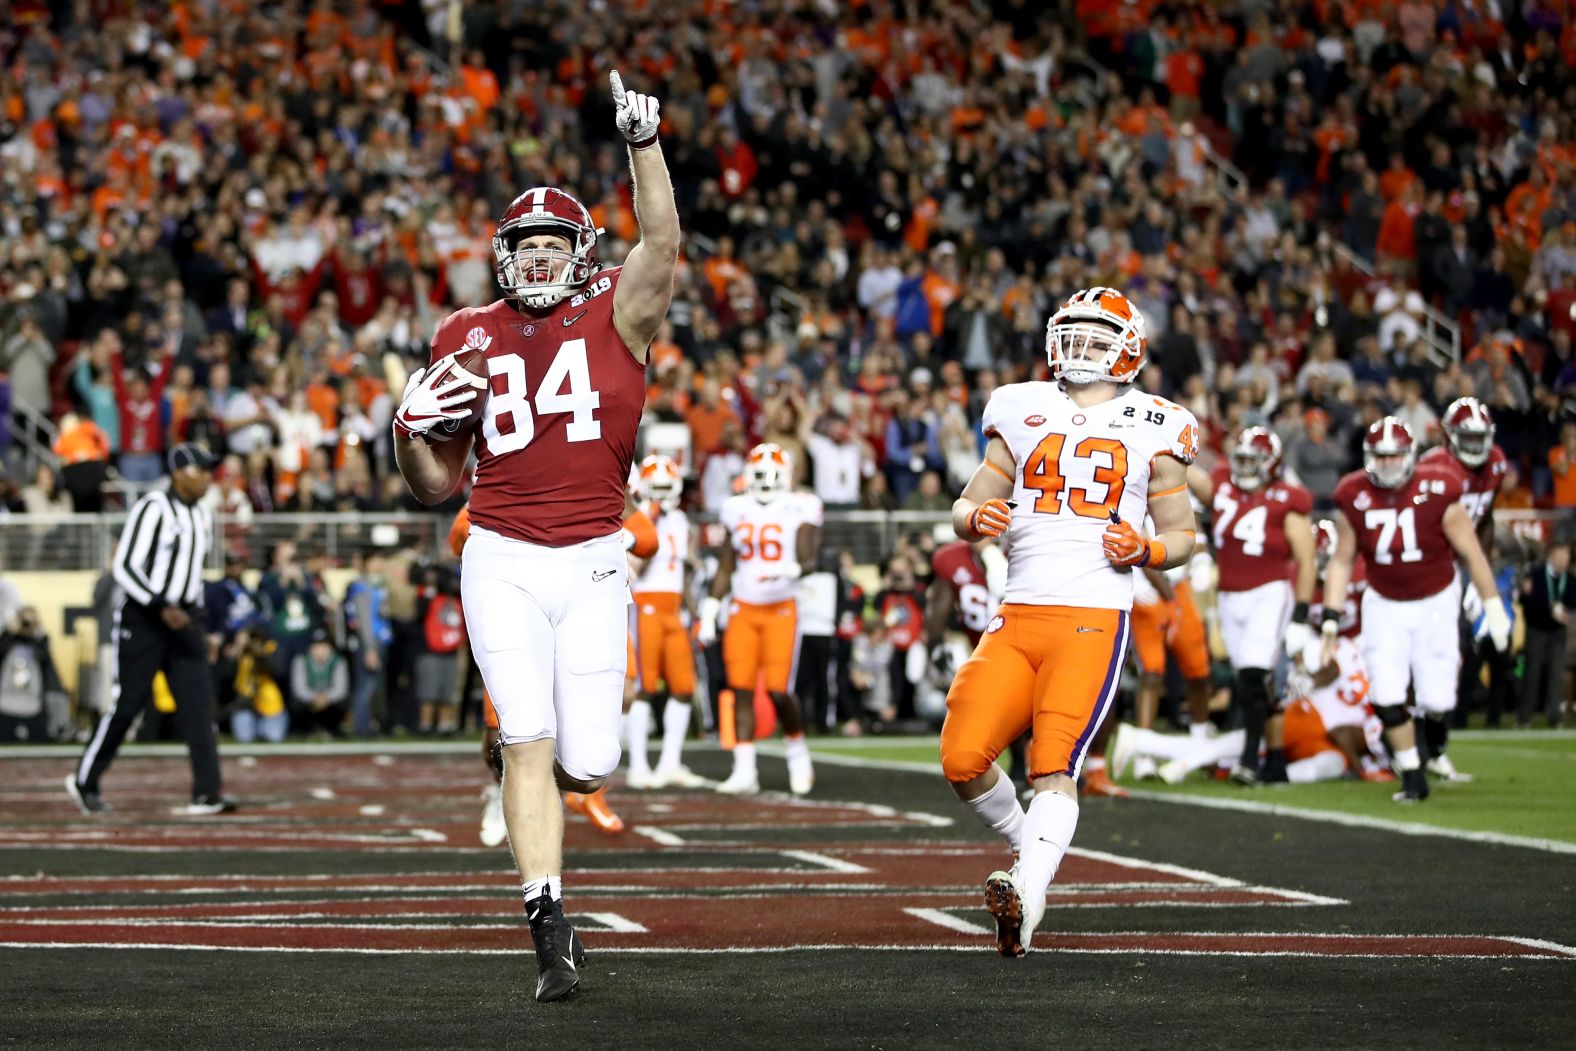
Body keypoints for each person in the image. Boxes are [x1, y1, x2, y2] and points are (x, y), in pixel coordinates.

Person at [392, 70, 678, 1004]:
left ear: (582, 253)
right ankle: (547, 921)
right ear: (505, 254)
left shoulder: (619, 315)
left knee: (588, 759)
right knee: (525, 735)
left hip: (596, 556)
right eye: (531, 245)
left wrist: (644, 146)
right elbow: (437, 486)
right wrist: (405, 437)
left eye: (559, 244)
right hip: (503, 554)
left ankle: (543, 800)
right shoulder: (463, 334)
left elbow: (663, 240)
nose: (545, 259)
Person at [940, 286, 1199, 957]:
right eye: (1074, 333)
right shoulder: (1020, 405)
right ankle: (1035, 850)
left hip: (1091, 615)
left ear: (1131, 346)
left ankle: (1028, 891)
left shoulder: (1157, 420)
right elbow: (969, 502)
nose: (1082, 347)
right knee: (963, 756)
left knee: (1054, 762)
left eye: (1098, 336)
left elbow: (1182, 534)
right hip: (1018, 610)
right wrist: (975, 520)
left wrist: (1146, 549)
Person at [1321, 417, 1510, 803]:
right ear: (1368, 457)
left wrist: (1493, 606)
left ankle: (1434, 738)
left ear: (1410, 456)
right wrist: (1328, 617)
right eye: (1381, 457)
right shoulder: (1353, 493)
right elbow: (1341, 561)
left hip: (1435, 598)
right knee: (1387, 693)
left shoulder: (1440, 488)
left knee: (1436, 699)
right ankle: (1412, 773)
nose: (1388, 465)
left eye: (1395, 457)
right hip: (1384, 601)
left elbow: (1472, 553)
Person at [68, 444, 234, 815]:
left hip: (185, 620)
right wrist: (161, 605)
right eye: (200, 470)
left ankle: (207, 792)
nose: (208, 477)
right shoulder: (153, 508)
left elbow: (192, 574)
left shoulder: (203, 515)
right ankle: (85, 779)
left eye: (209, 470)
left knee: (198, 707)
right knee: (127, 705)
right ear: (178, 474)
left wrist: (197, 619)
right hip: (145, 619)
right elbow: (125, 567)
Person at [1187, 426, 1316, 783]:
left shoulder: (1287, 499)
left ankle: (1248, 760)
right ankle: (1273, 759)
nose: (1245, 468)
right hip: (1229, 594)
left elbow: (1307, 560)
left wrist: (1302, 613)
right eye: (1241, 460)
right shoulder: (1224, 485)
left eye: (1253, 461)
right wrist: (1168, 449)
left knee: (1255, 674)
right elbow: (1192, 480)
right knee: (1251, 684)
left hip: (1269, 592)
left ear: (1272, 464)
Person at [699, 443, 823, 794]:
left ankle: (797, 753)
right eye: (760, 475)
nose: (766, 482)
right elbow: (727, 564)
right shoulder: (735, 507)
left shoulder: (801, 504)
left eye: (772, 475)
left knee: (779, 691)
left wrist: (792, 568)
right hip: (743, 606)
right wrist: (710, 609)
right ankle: (744, 768)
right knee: (740, 687)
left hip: (781, 606)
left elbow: (810, 558)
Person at [1417, 397, 1510, 775]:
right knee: (1424, 658)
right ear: (1448, 436)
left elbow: (1484, 519)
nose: (1475, 447)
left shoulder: (1497, 463)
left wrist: (1477, 571)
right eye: (1466, 437)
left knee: (1449, 658)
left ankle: (1433, 747)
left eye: (1479, 438)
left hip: (1459, 570)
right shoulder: (1431, 468)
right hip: (1427, 570)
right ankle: (1418, 747)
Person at [625, 455, 706, 789]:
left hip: (674, 610)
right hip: (645, 606)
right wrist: (650, 525)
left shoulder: (681, 521)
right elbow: (637, 569)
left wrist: (696, 613)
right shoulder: (639, 519)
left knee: (684, 687)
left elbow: (682, 572)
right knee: (645, 686)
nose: (660, 494)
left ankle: (670, 762)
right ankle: (639, 765)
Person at [1519, 544, 1575, 728]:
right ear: (1551, 555)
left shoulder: (1570, 578)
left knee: (1556, 674)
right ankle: (1525, 717)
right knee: (1532, 673)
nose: (1563, 561)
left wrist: (1564, 612)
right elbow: (1527, 599)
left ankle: (1555, 717)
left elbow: (1572, 599)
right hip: (1537, 629)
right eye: (1560, 556)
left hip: (1557, 631)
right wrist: (1549, 610)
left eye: (1566, 558)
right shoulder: (1535, 574)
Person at [289, 629, 350, 737]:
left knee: (344, 701)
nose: (320, 650)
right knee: (295, 701)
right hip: (309, 703)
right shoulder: (301, 659)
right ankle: (303, 729)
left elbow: (341, 689)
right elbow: (298, 688)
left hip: (329, 703)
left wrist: (326, 697)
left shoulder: (338, 660)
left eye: (324, 646)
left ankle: (332, 728)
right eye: (316, 646)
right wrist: (314, 697)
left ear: (330, 647)